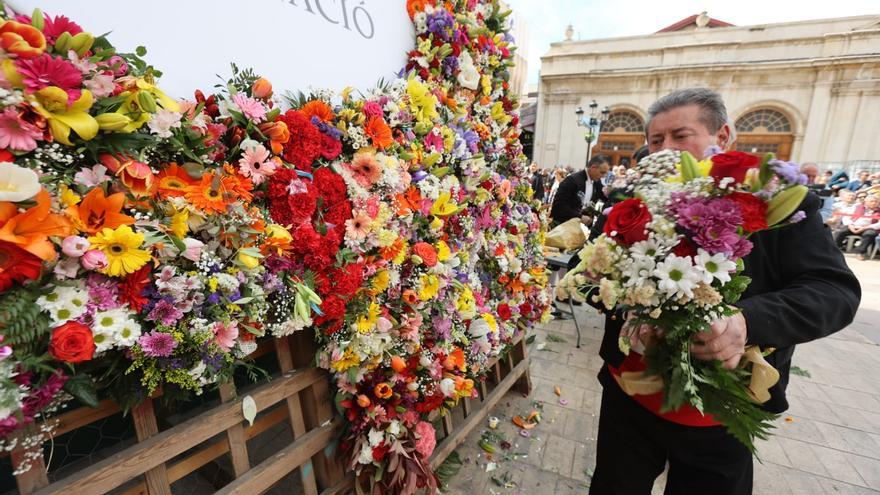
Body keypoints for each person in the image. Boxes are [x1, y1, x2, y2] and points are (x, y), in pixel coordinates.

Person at [589, 88, 861, 495]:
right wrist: (622, 306)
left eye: (681, 136)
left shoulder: (777, 201)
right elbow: (592, 272)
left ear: (725, 136)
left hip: (719, 411)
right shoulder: (633, 200)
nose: (666, 149)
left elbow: (834, 291)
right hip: (629, 397)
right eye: (656, 140)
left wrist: (746, 322)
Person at [549, 154, 611, 228]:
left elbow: (607, 198)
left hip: (581, 229)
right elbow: (558, 206)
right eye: (602, 172)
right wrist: (580, 216)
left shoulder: (597, 183)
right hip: (563, 227)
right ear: (593, 167)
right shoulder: (572, 180)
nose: (604, 176)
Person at [832, 194, 880, 260]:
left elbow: (879, 224)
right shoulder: (856, 207)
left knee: (870, 234)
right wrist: (850, 225)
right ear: (866, 202)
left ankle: (860, 252)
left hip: (868, 228)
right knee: (840, 232)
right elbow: (846, 216)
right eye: (872, 201)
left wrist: (865, 227)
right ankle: (834, 249)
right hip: (853, 226)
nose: (874, 203)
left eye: (876, 202)